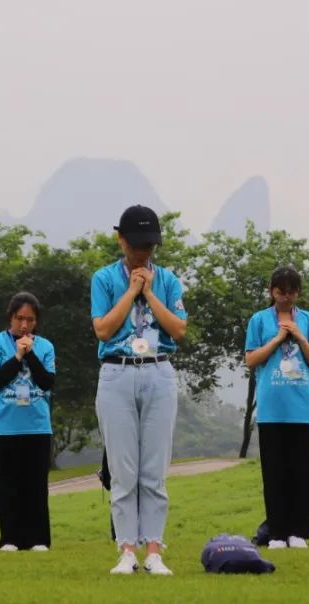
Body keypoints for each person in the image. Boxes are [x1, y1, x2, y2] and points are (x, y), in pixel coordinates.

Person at [91, 205, 186, 575]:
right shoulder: (103, 279)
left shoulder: (168, 279)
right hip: (117, 372)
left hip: (159, 371)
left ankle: (154, 550)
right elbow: (103, 329)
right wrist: (131, 291)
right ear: (121, 240)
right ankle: (127, 549)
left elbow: (177, 329)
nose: (143, 253)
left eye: (150, 246)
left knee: (154, 469)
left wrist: (151, 292)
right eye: (137, 245)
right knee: (123, 469)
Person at [245, 267, 309, 550]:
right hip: (271, 409)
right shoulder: (258, 320)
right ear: (271, 291)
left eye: (291, 292)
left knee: (301, 472)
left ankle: (299, 532)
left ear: (298, 293)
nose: (285, 298)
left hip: (301, 408)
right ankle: (277, 533)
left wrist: (300, 337)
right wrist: (278, 339)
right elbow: (251, 359)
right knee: (274, 473)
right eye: (280, 292)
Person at [0, 292, 56, 552]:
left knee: (36, 485)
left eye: (30, 320)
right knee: (7, 486)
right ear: (10, 317)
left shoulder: (45, 346)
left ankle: (38, 539)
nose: (24, 325)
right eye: (19, 319)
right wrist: (16, 356)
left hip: (37, 426)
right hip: (4, 428)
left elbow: (47, 382)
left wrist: (30, 354)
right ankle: (10, 539)